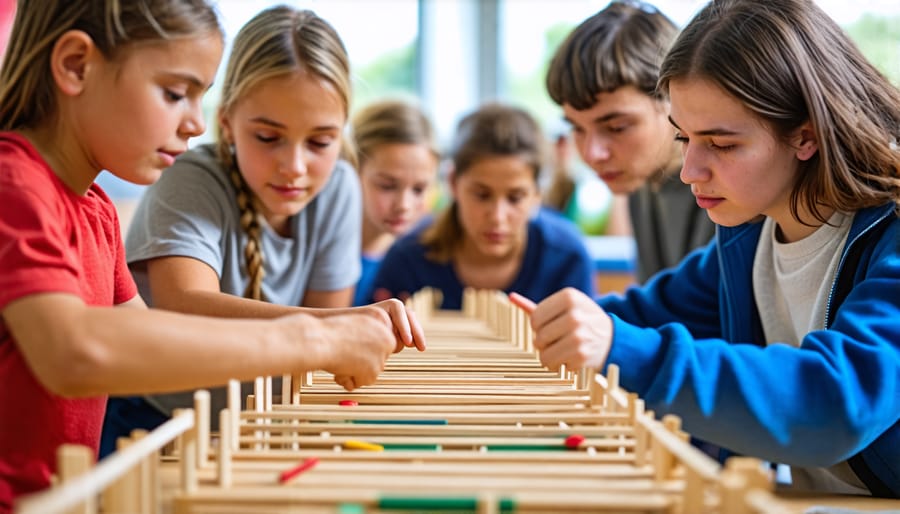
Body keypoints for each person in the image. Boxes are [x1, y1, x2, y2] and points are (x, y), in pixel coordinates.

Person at [0, 1, 422, 506]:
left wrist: (336, 330)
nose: (196, 125)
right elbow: (74, 352)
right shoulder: (13, 186)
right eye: (175, 93)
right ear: (75, 65)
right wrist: (312, 336)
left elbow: (147, 336)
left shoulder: (96, 209)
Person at [513, 0, 900, 498]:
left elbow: (835, 400)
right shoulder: (749, 234)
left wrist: (620, 348)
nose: (689, 168)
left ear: (805, 135)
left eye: (720, 143)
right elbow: (645, 315)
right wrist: (540, 332)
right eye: (683, 137)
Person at [99, 6, 427, 457]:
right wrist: (343, 328)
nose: (294, 167)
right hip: (157, 424)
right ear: (229, 122)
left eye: (319, 142)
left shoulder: (341, 187)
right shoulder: (190, 178)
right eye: (269, 138)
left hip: (270, 420)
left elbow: (321, 357)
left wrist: (343, 336)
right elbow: (185, 306)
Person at [546, 0, 715, 283]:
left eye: (617, 127)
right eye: (577, 129)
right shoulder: (641, 181)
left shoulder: (726, 190)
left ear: (674, 98)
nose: (592, 153)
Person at [372, 102, 596, 310]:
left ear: (537, 194)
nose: (498, 217)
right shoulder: (408, 258)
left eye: (515, 198)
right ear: (453, 182)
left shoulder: (567, 258)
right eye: (482, 195)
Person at [349, 99, 440, 306]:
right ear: (353, 170)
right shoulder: (322, 248)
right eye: (387, 186)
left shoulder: (419, 254)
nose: (404, 205)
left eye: (419, 189)